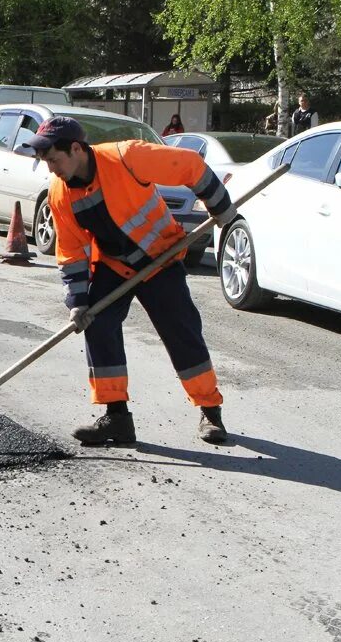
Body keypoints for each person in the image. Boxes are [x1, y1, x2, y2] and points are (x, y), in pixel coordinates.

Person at [23, 116, 238, 446]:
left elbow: (190, 166)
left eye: (53, 159)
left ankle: (210, 411)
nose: (51, 168)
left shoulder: (126, 157)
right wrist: (78, 301)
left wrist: (221, 208)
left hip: (160, 259)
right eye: (46, 162)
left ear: (77, 149)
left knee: (181, 331)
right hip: (114, 265)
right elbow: (71, 250)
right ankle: (117, 418)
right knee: (97, 324)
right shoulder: (60, 193)